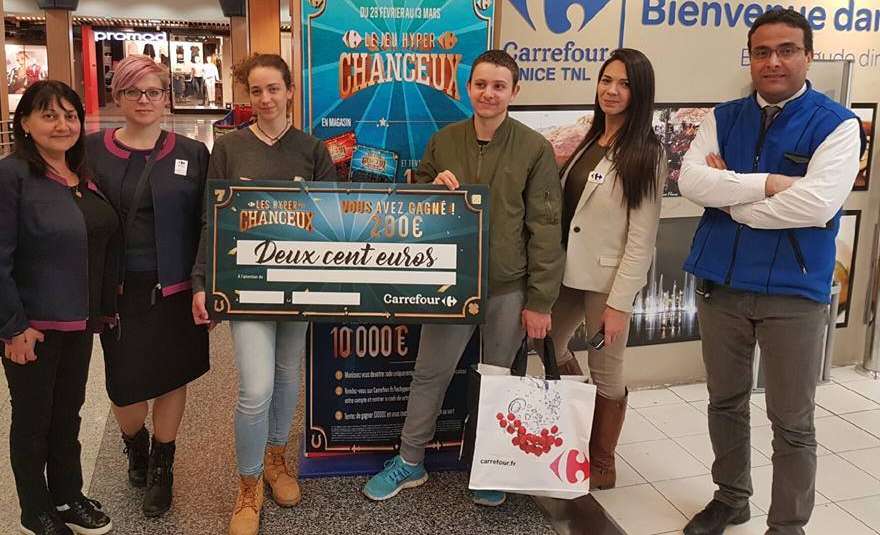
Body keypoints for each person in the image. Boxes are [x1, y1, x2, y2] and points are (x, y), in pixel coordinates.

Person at [678, 8, 863, 535]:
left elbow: (817, 204)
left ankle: (787, 526)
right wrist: (769, 184)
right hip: (721, 284)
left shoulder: (837, 125)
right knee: (725, 402)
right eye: (762, 52)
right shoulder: (723, 117)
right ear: (750, 57)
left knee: (792, 419)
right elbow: (690, 181)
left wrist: (732, 198)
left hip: (793, 292)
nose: (773, 61)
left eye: (786, 50)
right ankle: (731, 498)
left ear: (808, 56)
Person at [363, 49, 563, 507]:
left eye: (499, 86)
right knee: (429, 374)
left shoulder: (534, 148)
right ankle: (410, 460)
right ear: (467, 88)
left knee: (499, 380)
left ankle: (491, 465)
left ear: (515, 91)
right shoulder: (444, 140)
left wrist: (540, 301)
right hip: (448, 283)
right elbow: (414, 204)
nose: (488, 94)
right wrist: (431, 189)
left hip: (508, 287)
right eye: (481, 85)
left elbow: (546, 229)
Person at [191, 53, 337, 535]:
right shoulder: (229, 147)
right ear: (248, 96)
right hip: (246, 284)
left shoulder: (313, 150)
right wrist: (202, 281)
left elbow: (332, 221)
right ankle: (248, 483)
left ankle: (277, 458)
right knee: (256, 388)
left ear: (290, 91)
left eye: (274, 88)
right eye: (256, 91)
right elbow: (211, 219)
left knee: (287, 375)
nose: (266, 99)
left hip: (301, 284)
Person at [0, 81, 119, 535]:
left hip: (79, 322)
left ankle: (68, 495)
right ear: (25, 123)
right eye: (48, 115)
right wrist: (11, 328)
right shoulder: (8, 177)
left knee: (67, 414)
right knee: (33, 419)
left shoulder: (82, 176)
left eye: (70, 116)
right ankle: (34, 508)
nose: (62, 125)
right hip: (31, 327)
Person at [86, 55, 210, 517]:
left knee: (173, 377)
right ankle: (134, 441)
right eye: (133, 91)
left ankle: (162, 464)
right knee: (126, 389)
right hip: (119, 291)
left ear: (166, 98)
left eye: (154, 91)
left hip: (177, 290)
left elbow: (207, 222)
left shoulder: (192, 153)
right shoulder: (91, 151)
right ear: (117, 97)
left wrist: (204, 284)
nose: (144, 100)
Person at [550, 48, 666, 490]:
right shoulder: (591, 138)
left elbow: (642, 236)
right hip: (566, 271)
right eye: (606, 80)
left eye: (624, 84)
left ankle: (601, 460)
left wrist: (620, 303)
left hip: (606, 279)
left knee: (607, 369)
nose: (612, 91)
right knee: (549, 344)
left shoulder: (647, 152)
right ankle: (577, 419)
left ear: (640, 93)